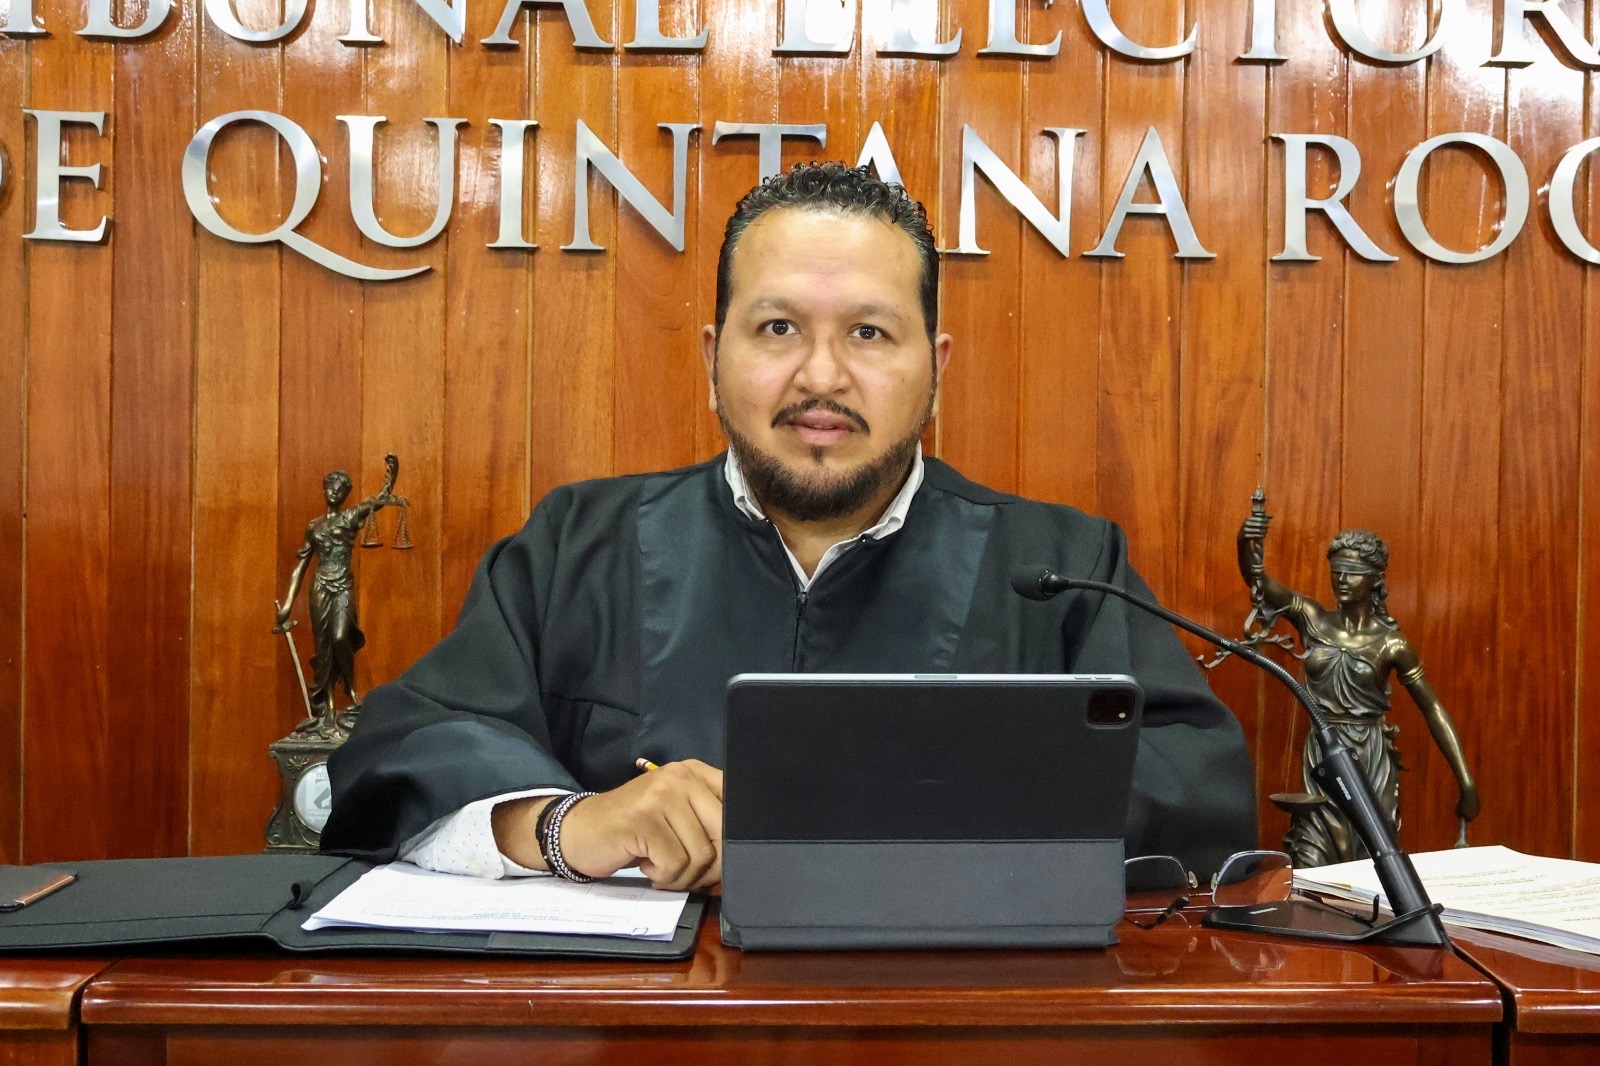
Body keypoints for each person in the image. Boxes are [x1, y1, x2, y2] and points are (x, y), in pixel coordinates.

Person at [322, 163, 1257, 889]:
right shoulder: (577, 545)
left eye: (868, 333)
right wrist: (570, 827)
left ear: (936, 369)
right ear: (711, 358)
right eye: (777, 329)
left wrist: (903, 816)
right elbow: (408, 749)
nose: (820, 377)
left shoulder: (1062, 568)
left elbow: (1192, 793)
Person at [1236, 512, 1479, 866]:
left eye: (1352, 572)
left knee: (1370, 864)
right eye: (1336, 571)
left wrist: (1466, 781)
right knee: (1310, 860)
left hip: (1369, 760)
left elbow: (1432, 709)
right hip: (1323, 755)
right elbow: (1258, 580)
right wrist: (1244, 541)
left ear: (1375, 578)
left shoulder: (1392, 644)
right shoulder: (1313, 618)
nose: (1342, 580)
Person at [275, 455, 399, 736]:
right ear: (324, 489)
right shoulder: (314, 526)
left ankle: (352, 690)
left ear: (345, 494)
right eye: (330, 486)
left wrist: (392, 478)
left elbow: (378, 501)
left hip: (342, 584)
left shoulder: (349, 518)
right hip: (320, 587)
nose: (334, 491)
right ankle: (328, 708)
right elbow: (300, 567)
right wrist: (287, 606)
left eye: (340, 488)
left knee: (341, 636)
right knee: (323, 646)